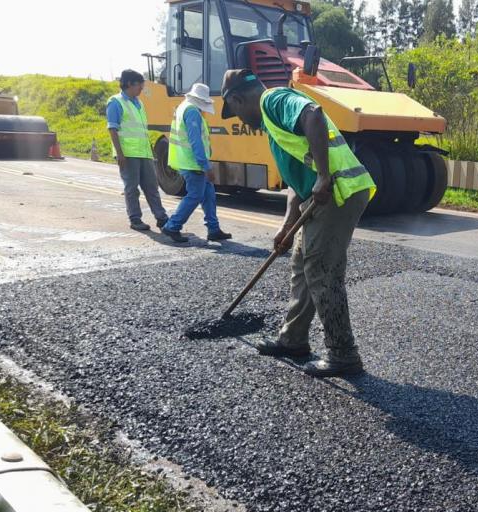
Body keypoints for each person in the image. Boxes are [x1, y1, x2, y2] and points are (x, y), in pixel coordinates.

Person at [220, 69, 376, 377]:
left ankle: (343, 353)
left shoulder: (273, 100)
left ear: (237, 99)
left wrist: (323, 175)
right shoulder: (274, 126)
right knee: (302, 265)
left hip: (338, 194)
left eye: (234, 112)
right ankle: (293, 339)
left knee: (321, 270)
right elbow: (295, 178)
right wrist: (288, 224)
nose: (238, 119)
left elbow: (313, 114)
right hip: (321, 197)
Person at [161, 83, 232, 243]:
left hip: (189, 161)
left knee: (208, 195)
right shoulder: (192, 111)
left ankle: (213, 229)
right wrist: (205, 165)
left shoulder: (183, 107)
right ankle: (172, 226)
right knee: (195, 195)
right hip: (193, 163)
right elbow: (196, 142)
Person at [106, 70, 169, 231]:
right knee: (132, 188)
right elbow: (112, 129)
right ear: (129, 84)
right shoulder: (115, 102)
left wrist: (150, 150)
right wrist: (120, 154)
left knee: (151, 187)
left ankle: (161, 218)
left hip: (143, 152)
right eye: (139, 85)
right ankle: (135, 219)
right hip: (128, 154)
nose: (141, 88)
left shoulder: (138, 103)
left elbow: (140, 129)